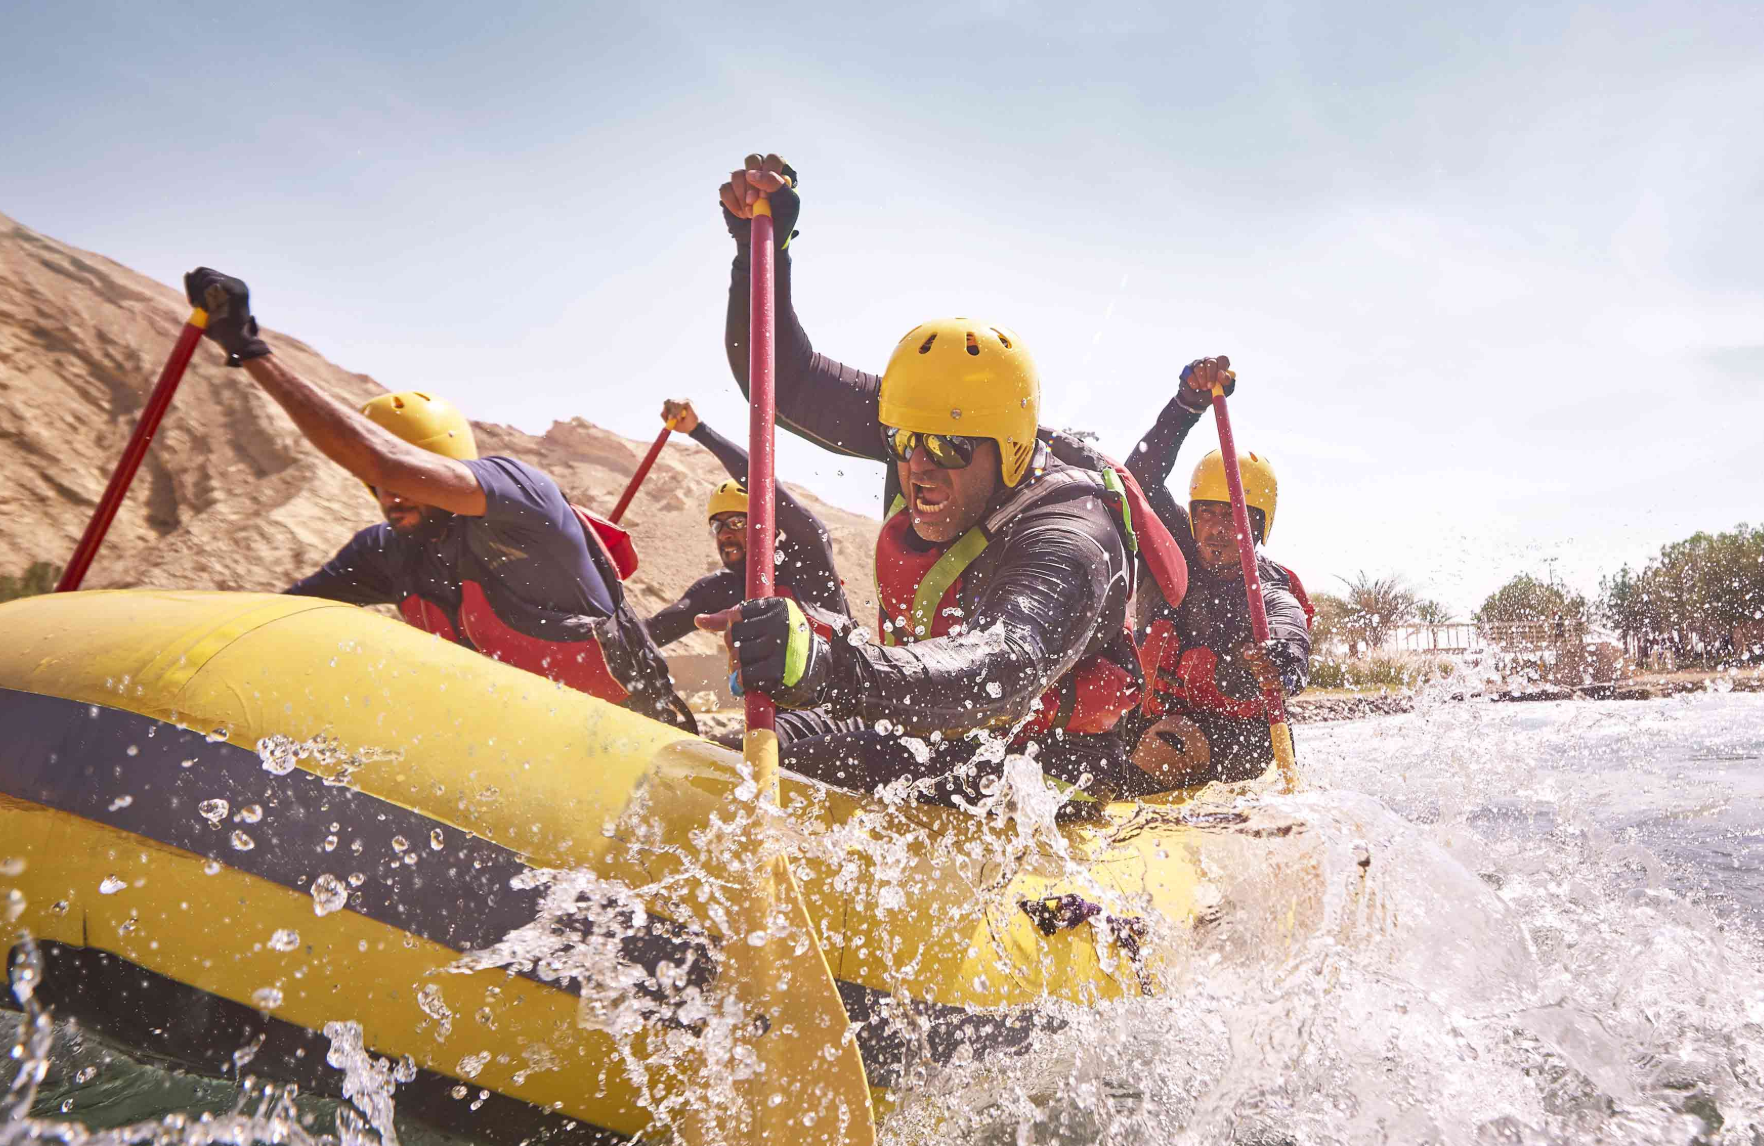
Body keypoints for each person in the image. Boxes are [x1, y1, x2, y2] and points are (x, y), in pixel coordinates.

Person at [697, 153, 1188, 801]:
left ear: (1009, 448)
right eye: (902, 442)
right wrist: (761, 252)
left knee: (810, 767)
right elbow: (783, 382)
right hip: (922, 719)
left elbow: (1003, 669)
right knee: (729, 755)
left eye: (947, 448)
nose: (917, 467)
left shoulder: (1072, 534)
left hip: (1044, 766)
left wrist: (826, 665)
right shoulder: (921, 428)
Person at [182, 267, 697, 731]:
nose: (390, 494)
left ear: (443, 468)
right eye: (378, 486)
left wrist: (247, 348)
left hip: (634, 731)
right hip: (523, 745)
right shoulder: (384, 551)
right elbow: (281, 617)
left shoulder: (521, 495)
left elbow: (384, 462)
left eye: (409, 478)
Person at [1125, 355, 1313, 785]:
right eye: (1207, 513)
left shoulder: (1268, 589)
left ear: (1260, 526)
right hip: (1160, 717)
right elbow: (1137, 482)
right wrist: (1185, 406)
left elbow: (1289, 626)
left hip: (1241, 739)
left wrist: (1282, 660)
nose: (1217, 529)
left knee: (1164, 745)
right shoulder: (1178, 549)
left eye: (1233, 516)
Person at [643, 399, 852, 650]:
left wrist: (698, 431)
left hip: (843, 671)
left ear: (771, 527)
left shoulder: (809, 556)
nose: (725, 534)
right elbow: (650, 634)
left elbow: (767, 487)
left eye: (736, 522)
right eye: (718, 526)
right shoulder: (720, 588)